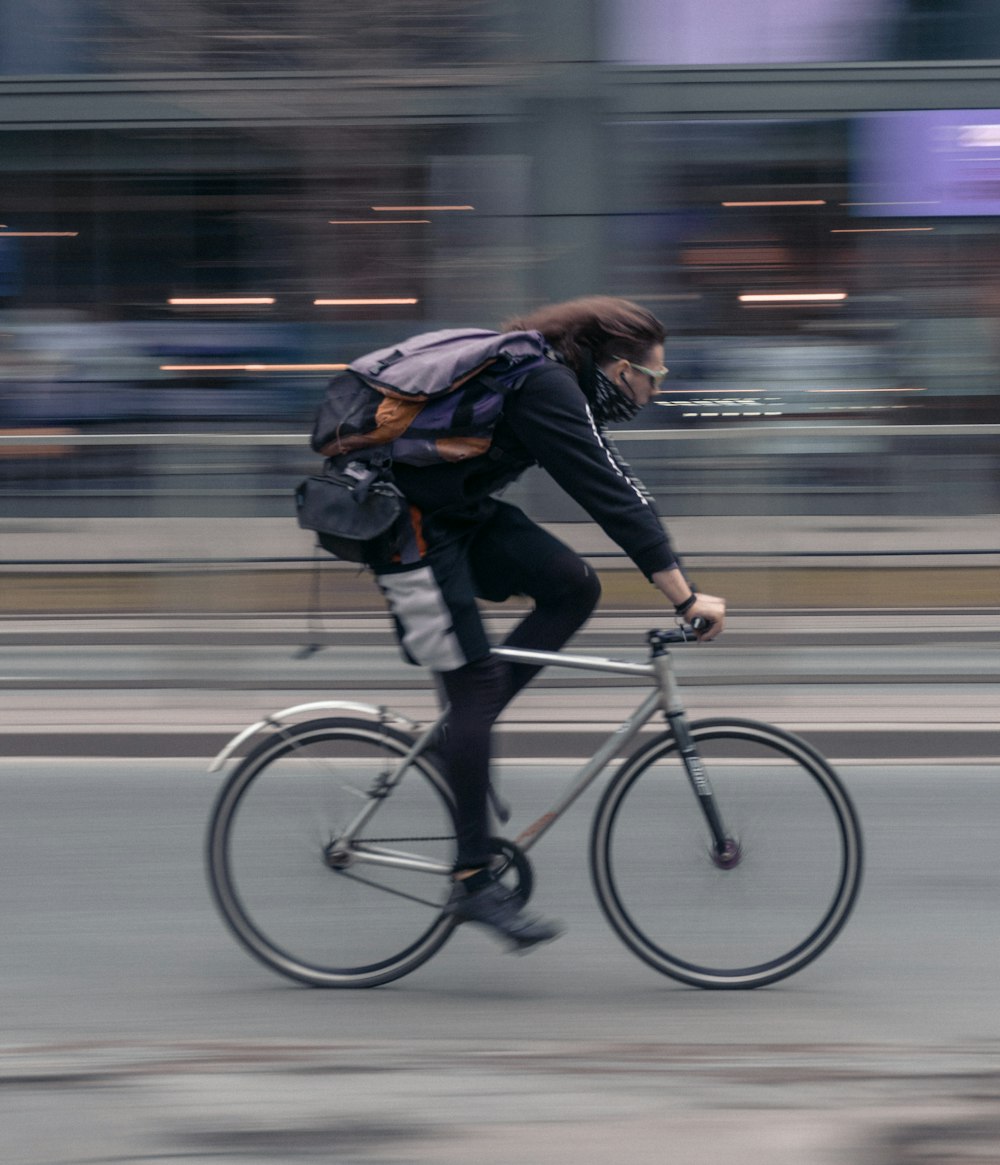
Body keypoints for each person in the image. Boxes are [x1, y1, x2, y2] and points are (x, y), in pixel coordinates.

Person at [372, 296, 726, 951]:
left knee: (572, 585)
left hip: (457, 512)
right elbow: (609, 492)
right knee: (475, 689)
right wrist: (684, 596)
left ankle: (463, 735)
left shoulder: (551, 381)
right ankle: (473, 880)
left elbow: (613, 479)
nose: (651, 393)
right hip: (404, 523)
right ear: (616, 364)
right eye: (651, 377)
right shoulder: (546, 383)